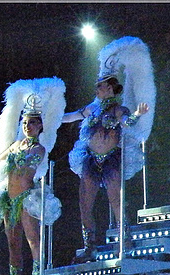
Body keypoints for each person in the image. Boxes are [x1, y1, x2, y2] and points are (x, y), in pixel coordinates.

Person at [63, 36, 155, 262]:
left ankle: (125, 238)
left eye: (104, 85)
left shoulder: (118, 109)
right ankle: (89, 245)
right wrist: (51, 117)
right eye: (99, 85)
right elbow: (70, 117)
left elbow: (127, 123)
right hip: (90, 160)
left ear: (112, 89)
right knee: (85, 203)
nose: (100, 88)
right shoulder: (91, 109)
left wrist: (136, 114)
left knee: (116, 199)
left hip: (111, 159)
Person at [0, 78, 65, 275]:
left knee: (33, 241)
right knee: (13, 244)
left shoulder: (39, 148)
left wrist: (12, 157)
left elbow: (27, 166)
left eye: (32, 123)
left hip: (27, 198)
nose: (27, 126)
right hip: (9, 200)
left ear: (40, 125)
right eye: (25, 122)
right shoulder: (15, 145)